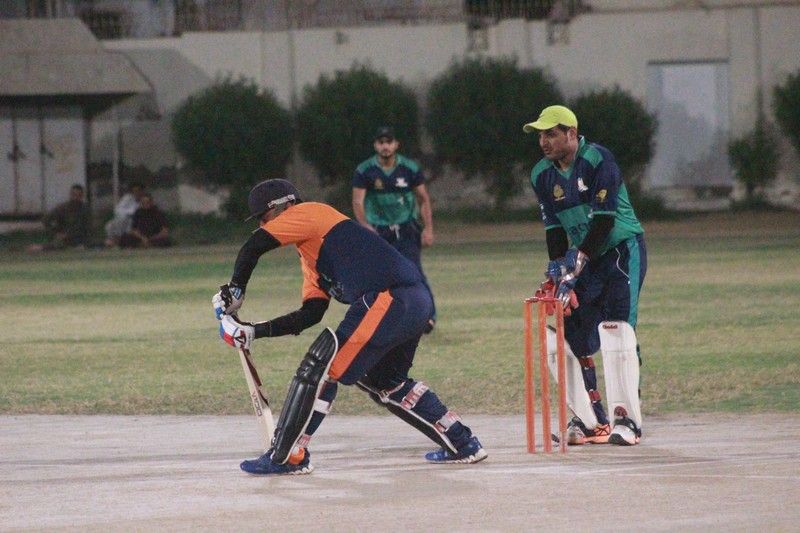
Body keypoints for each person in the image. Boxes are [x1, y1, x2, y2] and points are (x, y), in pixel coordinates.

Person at [213, 178, 486, 475]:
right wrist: (253, 331)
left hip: (391, 297)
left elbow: (253, 247)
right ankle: (462, 443)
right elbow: (310, 314)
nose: (263, 224)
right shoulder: (311, 255)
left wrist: (236, 290)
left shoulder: (310, 213)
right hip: (411, 300)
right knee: (386, 381)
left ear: (285, 206)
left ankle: (288, 455)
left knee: (321, 369)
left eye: (264, 217)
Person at [523, 105, 647, 446]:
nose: (544, 141)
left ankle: (628, 421)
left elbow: (604, 221)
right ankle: (592, 422)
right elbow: (554, 229)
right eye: (541, 135)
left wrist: (574, 267)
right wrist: (558, 272)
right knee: (566, 336)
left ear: (572, 133)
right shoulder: (541, 174)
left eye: (551, 134)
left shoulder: (597, 159)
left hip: (620, 250)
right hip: (586, 259)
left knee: (617, 331)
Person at [352, 126, 437, 333]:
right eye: (381, 142)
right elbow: (357, 202)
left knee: (414, 273)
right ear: (375, 145)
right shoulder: (365, 170)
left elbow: (423, 199)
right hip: (379, 232)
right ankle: (379, 319)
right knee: (378, 276)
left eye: (389, 142)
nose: (385, 146)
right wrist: (365, 227)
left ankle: (428, 317)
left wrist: (428, 229)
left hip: (407, 229)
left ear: (396, 145)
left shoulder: (409, 168)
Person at [28, 183, 91, 252]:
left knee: (89, 243)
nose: (75, 198)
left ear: (82, 196)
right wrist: (56, 233)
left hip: (79, 237)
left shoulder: (85, 209)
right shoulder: (63, 208)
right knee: (58, 244)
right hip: (64, 237)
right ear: (70, 195)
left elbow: (87, 227)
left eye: (78, 195)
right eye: (74, 195)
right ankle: (41, 247)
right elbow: (46, 220)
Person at [105, 183, 145, 247]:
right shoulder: (127, 198)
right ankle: (114, 241)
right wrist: (130, 213)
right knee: (110, 225)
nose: (137, 193)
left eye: (138, 191)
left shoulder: (144, 199)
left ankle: (117, 241)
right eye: (134, 191)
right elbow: (118, 210)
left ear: (142, 191)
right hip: (124, 219)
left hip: (138, 220)